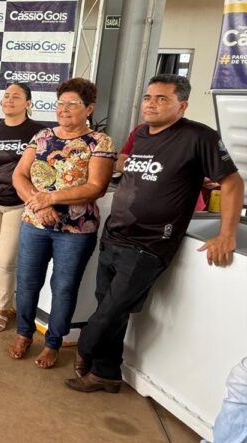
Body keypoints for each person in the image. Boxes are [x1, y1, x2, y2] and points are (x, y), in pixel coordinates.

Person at [66, 74, 243, 393]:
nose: (151, 104)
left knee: (110, 312)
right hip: (114, 235)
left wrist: (226, 234)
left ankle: (86, 348)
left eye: (162, 99)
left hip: (148, 244)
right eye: (148, 97)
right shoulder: (141, 134)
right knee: (109, 308)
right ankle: (106, 374)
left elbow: (232, 182)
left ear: (182, 105)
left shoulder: (198, 136)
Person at [8, 78, 116, 369]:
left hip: (76, 230)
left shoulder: (99, 142)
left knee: (64, 287)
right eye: (60, 103)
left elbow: (96, 187)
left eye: (72, 104)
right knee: (27, 282)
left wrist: (51, 197)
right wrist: (40, 204)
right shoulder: (42, 136)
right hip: (35, 223)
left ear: (89, 108)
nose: (64, 109)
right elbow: (19, 175)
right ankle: (23, 334)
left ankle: (53, 343)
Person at [0, 82, 46, 332]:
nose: (9, 100)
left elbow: (45, 164)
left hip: (18, 203)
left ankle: (4, 307)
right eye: (6, 96)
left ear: (28, 103)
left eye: (16, 96)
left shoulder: (38, 132)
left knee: (6, 259)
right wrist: (0, 170)